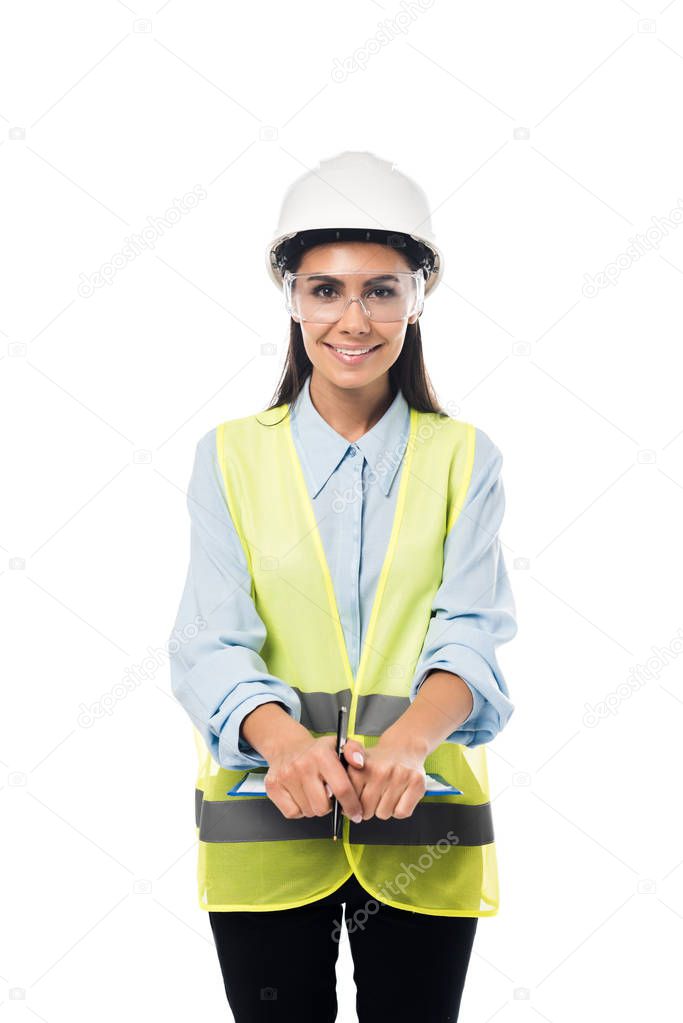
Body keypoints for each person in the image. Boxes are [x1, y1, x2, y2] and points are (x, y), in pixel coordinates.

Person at [169, 150, 518, 1022]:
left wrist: (406, 743)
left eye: (381, 288)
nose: (351, 318)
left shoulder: (462, 457)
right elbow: (209, 640)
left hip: (421, 816)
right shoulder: (230, 455)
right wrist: (282, 742)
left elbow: (470, 629)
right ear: (291, 297)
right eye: (325, 289)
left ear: (418, 297)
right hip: (264, 811)